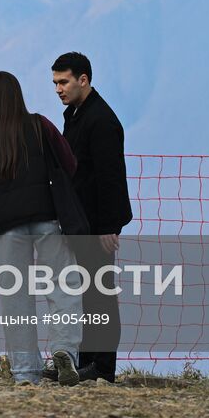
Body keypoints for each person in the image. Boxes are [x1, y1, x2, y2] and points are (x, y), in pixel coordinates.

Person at [0, 71, 82, 386]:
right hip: (46, 217)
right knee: (64, 284)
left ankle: (26, 371)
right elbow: (69, 162)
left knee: (16, 295)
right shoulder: (39, 125)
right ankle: (65, 350)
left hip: (7, 226)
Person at [52, 51, 132, 383]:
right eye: (55, 83)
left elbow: (111, 179)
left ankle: (102, 366)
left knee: (100, 293)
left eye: (64, 81)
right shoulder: (76, 115)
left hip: (96, 226)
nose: (58, 89)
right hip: (79, 223)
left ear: (83, 80)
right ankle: (85, 362)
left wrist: (109, 228)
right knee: (86, 293)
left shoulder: (101, 121)